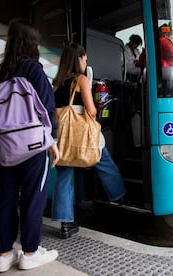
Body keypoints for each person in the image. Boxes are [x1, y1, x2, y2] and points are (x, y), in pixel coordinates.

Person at [0, 19, 60, 272]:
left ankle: (4, 254)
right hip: (33, 148)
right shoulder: (34, 70)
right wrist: (53, 143)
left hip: (4, 149)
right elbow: (47, 111)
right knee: (32, 198)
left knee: (5, 198)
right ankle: (29, 252)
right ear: (32, 44)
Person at [51, 42, 126, 239]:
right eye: (84, 58)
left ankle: (66, 223)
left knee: (64, 177)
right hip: (81, 135)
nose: (85, 62)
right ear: (78, 59)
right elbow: (91, 111)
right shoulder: (81, 80)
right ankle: (119, 197)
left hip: (61, 137)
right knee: (103, 160)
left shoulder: (55, 83)